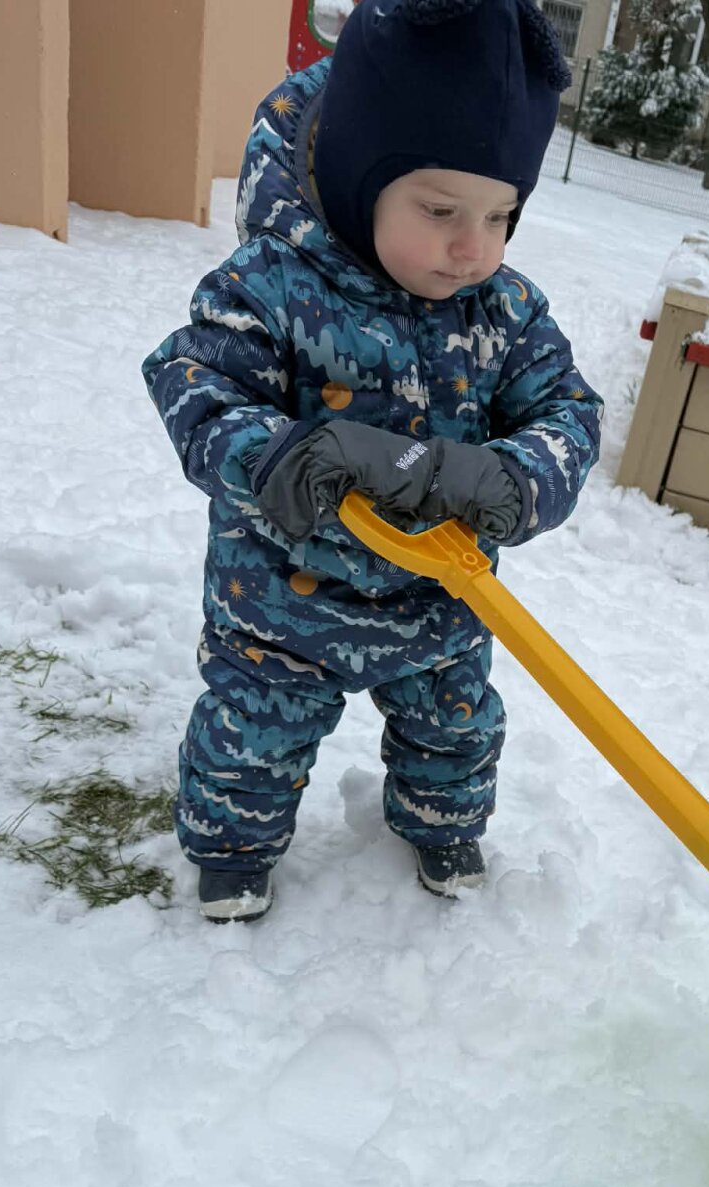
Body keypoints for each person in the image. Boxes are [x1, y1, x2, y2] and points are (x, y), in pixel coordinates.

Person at [142, 0, 603, 923]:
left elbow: (569, 413)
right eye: (440, 210)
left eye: (501, 215)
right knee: (252, 737)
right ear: (360, 177)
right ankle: (233, 850)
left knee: (456, 730)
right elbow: (195, 383)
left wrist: (512, 476)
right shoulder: (271, 283)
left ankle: (443, 827)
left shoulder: (505, 313)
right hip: (283, 603)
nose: (472, 247)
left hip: (439, 599)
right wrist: (281, 454)